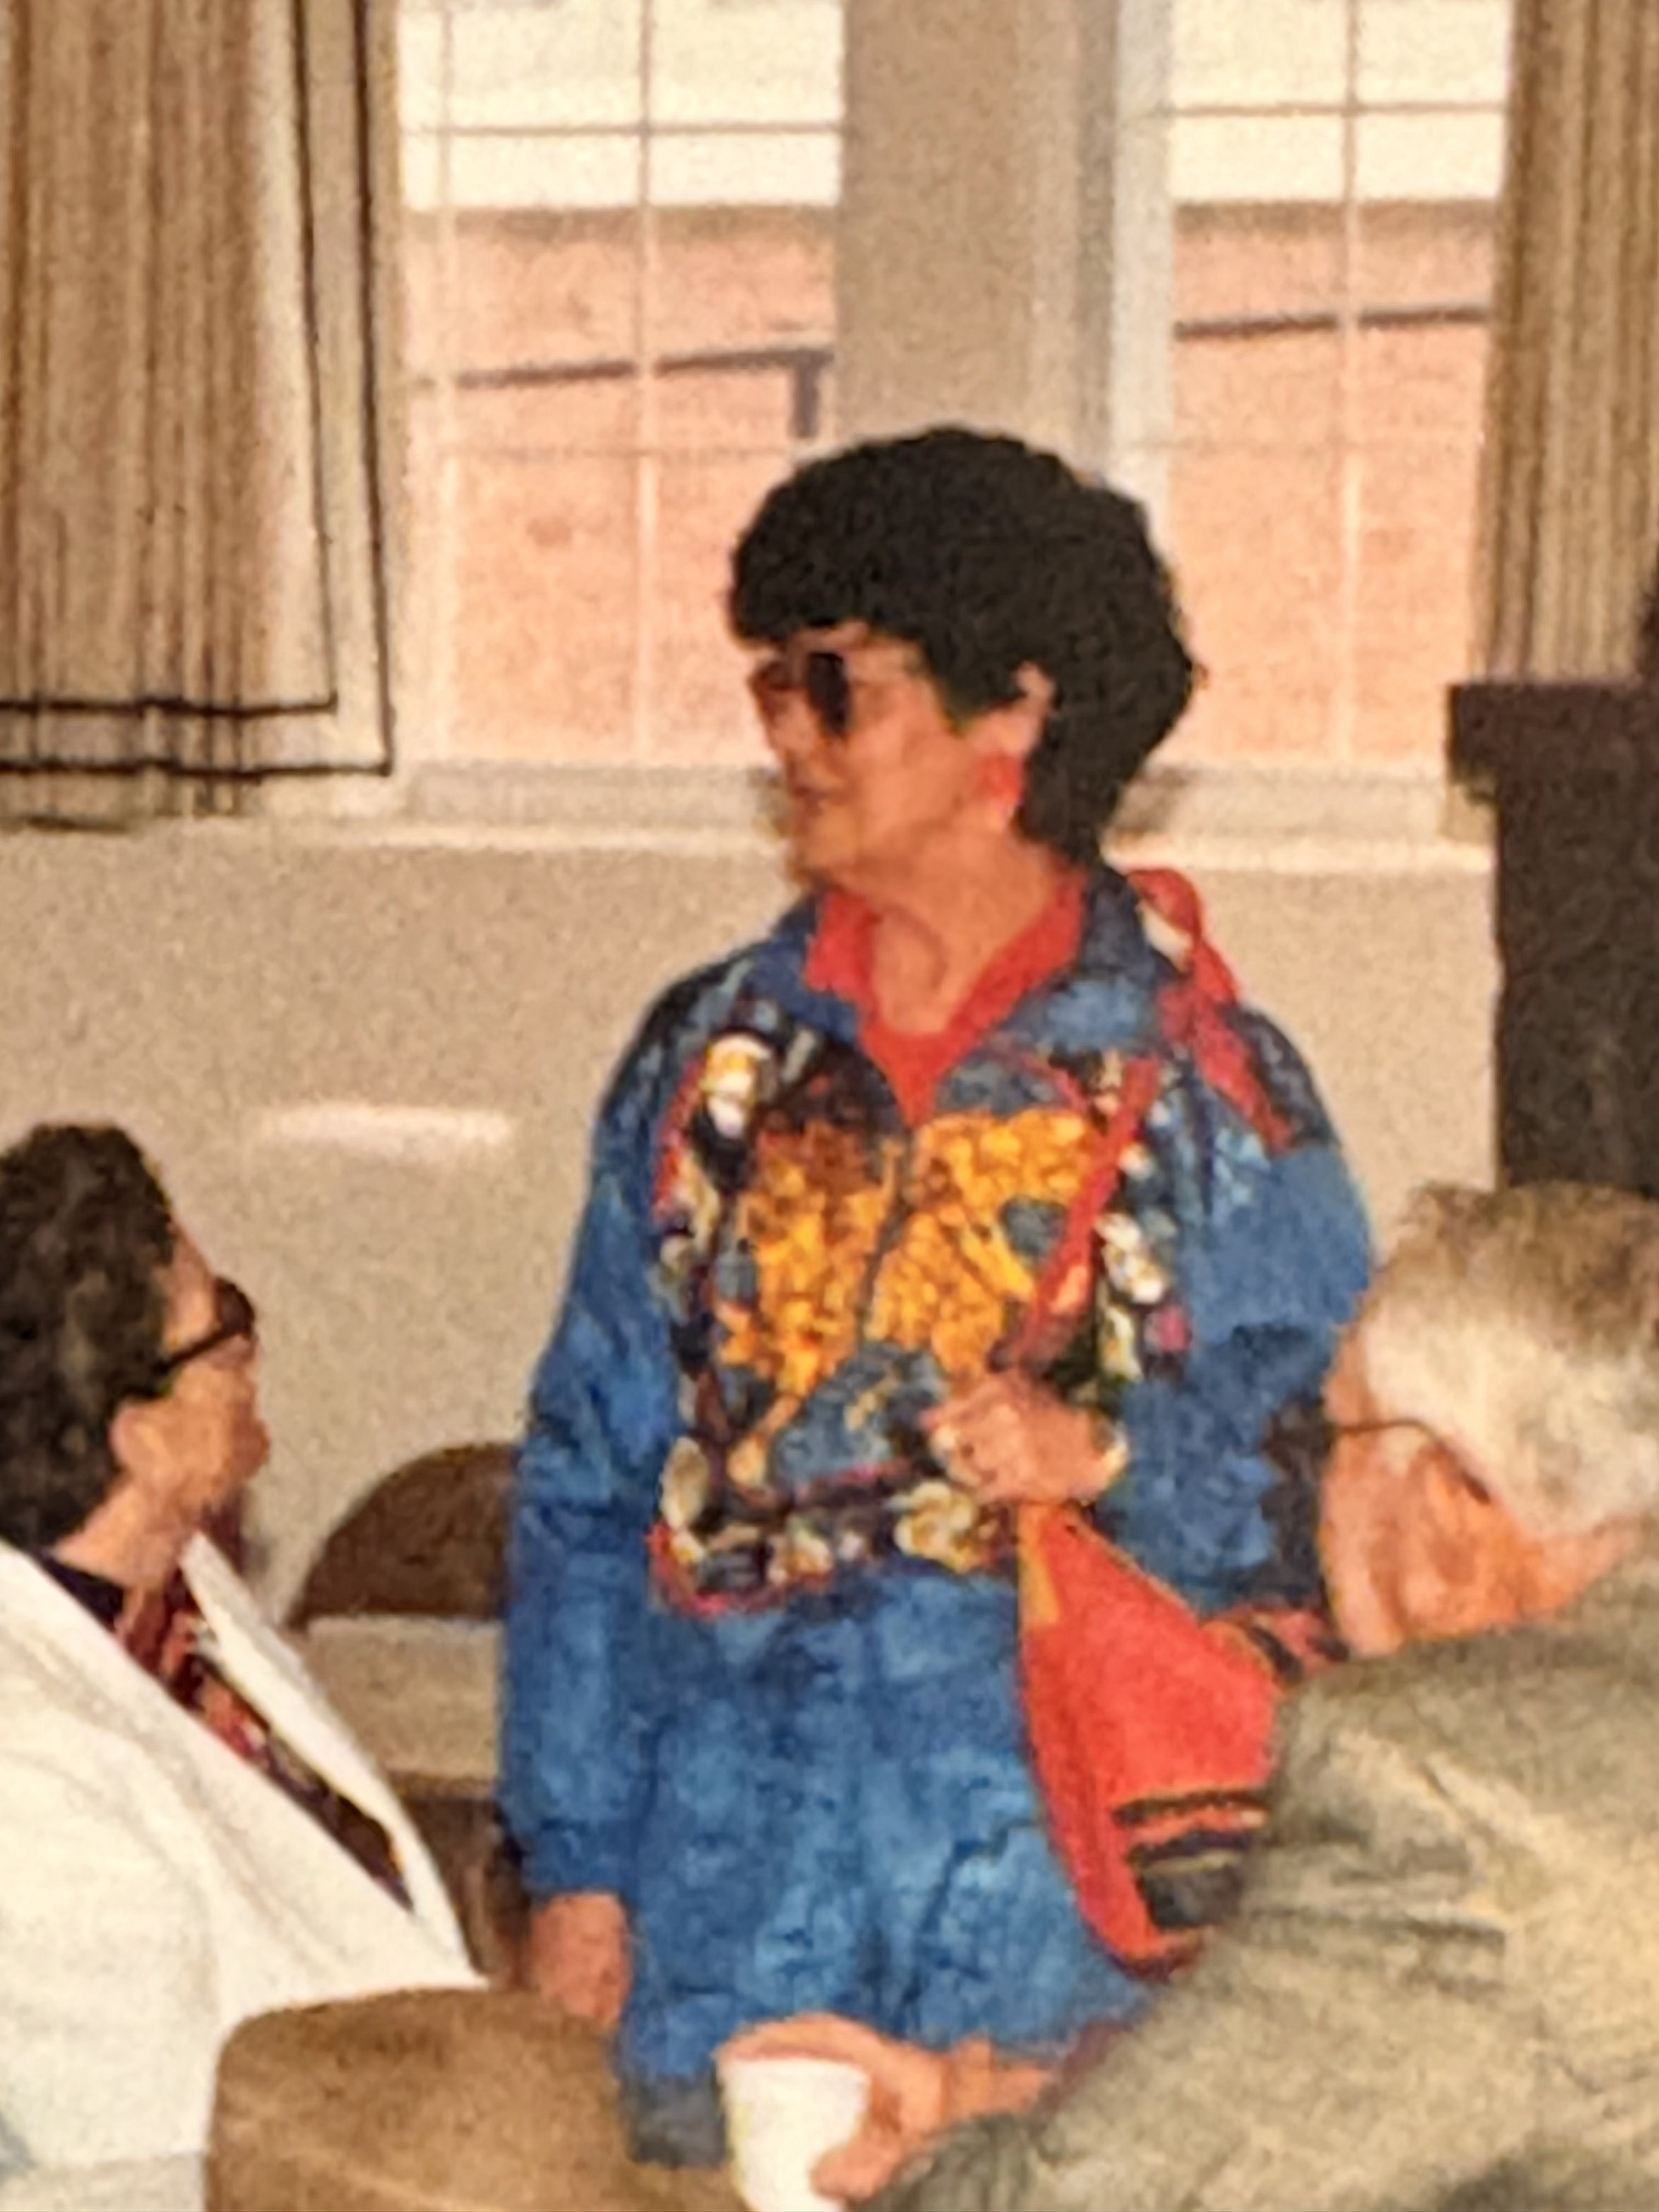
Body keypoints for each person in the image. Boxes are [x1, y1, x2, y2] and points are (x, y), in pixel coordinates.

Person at [500, 426, 1371, 2162]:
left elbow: (1348, 1493)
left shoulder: (1207, 1090)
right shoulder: (710, 1064)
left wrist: (1113, 1461)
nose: (787, 735)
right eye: (770, 684)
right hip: (724, 1907)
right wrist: (579, 1864)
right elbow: (588, 1478)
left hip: (1049, 1923)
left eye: (833, 683)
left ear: (1013, 710)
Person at [744, 1180, 1659, 2212]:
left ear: (1447, 1507)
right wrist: (1020, 2108)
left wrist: (918, 2177)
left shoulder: (1448, 1788)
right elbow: (1440, 2086)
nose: (1315, 1493)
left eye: (1331, 1439)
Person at [0, 1125, 477, 2184]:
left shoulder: (175, 1588)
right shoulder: (22, 1773)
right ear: (135, 1433)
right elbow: (145, 2165)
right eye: (222, 1335)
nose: (250, 1360)